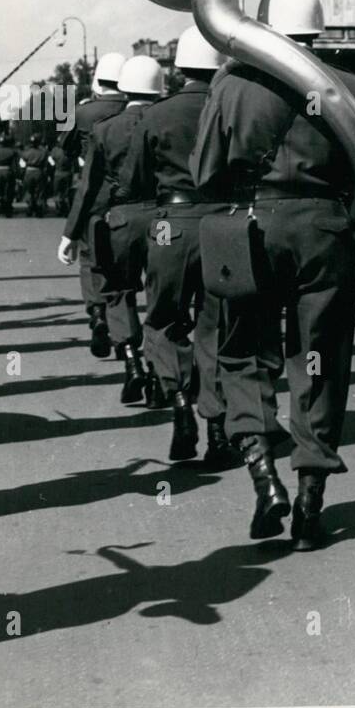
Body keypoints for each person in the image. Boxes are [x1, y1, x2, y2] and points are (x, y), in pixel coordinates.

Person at [190, 0, 355, 549]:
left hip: (253, 227)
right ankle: (309, 503)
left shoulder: (232, 84)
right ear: (317, 27)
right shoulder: (350, 86)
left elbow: (206, 173)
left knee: (244, 352)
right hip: (326, 231)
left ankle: (263, 476)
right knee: (319, 360)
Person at [121, 26, 230, 462]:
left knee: (163, 319)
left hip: (170, 223)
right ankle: (218, 430)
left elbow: (133, 182)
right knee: (215, 326)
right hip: (220, 221)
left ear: (179, 67)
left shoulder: (155, 114)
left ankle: (179, 401)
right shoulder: (228, 105)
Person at [59, 55, 163, 403]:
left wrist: (69, 232)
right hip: (163, 215)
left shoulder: (92, 116)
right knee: (162, 296)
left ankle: (128, 355)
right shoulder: (164, 117)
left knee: (114, 283)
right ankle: (166, 377)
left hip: (110, 211)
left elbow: (79, 168)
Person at [58, 52, 127, 357]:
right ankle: (122, 325)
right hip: (130, 192)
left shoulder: (84, 112)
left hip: (94, 192)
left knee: (90, 256)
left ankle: (96, 312)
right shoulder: (134, 108)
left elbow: (66, 145)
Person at [0, 132, 20, 217]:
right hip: (8, 172)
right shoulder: (12, 152)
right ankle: (8, 208)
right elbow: (15, 165)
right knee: (8, 190)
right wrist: (17, 175)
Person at [20, 134, 50, 217]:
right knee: (39, 191)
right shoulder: (43, 152)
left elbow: (22, 164)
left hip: (29, 172)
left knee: (29, 190)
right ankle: (39, 208)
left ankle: (30, 207)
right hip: (39, 172)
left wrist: (22, 174)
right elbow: (46, 164)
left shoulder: (26, 152)